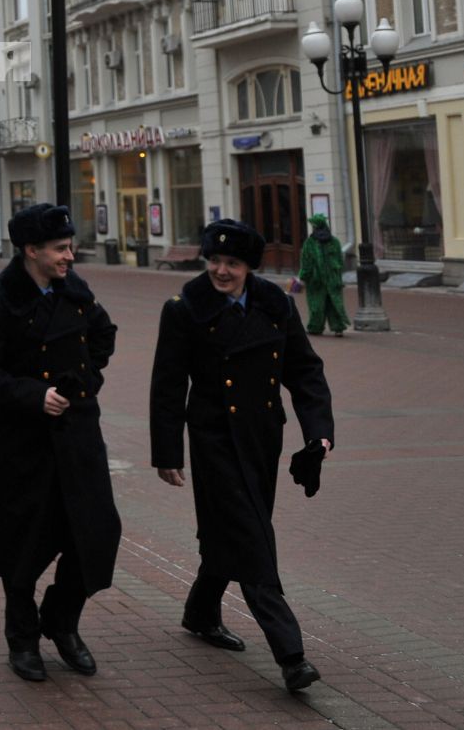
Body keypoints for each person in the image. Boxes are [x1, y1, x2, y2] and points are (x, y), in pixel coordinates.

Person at [151, 218, 335, 693]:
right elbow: (168, 386)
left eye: (232, 263)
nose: (221, 270)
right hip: (214, 439)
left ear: (250, 267)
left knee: (233, 531)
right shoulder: (185, 309)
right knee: (252, 538)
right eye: (214, 260)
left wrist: (319, 435)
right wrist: (167, 451)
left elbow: (305, 371)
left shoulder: (277, 305)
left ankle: (200, 612)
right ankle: (291, 655)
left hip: (261, 440)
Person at [0, 203, 122, 683]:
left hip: (76, 434)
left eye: (70, 247)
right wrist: (34, 395)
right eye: (60, 248)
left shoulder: (76, 291)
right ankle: (23, 637)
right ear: (31, 251)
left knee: (97, 532)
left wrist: (82, 381)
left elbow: (104, 337)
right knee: (23, 543)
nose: (70, 256)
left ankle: (62, 620)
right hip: (22, 440)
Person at [297, 214, 348, 336]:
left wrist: (303, 277)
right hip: (333, 278)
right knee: (334, 303)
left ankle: (315, 327)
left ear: (314, 226)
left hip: (315, 280)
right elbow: (340, 261)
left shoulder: (310, 243)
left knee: (316, 304)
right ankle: (338, 327)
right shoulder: (334, 241)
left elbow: (306, 263)